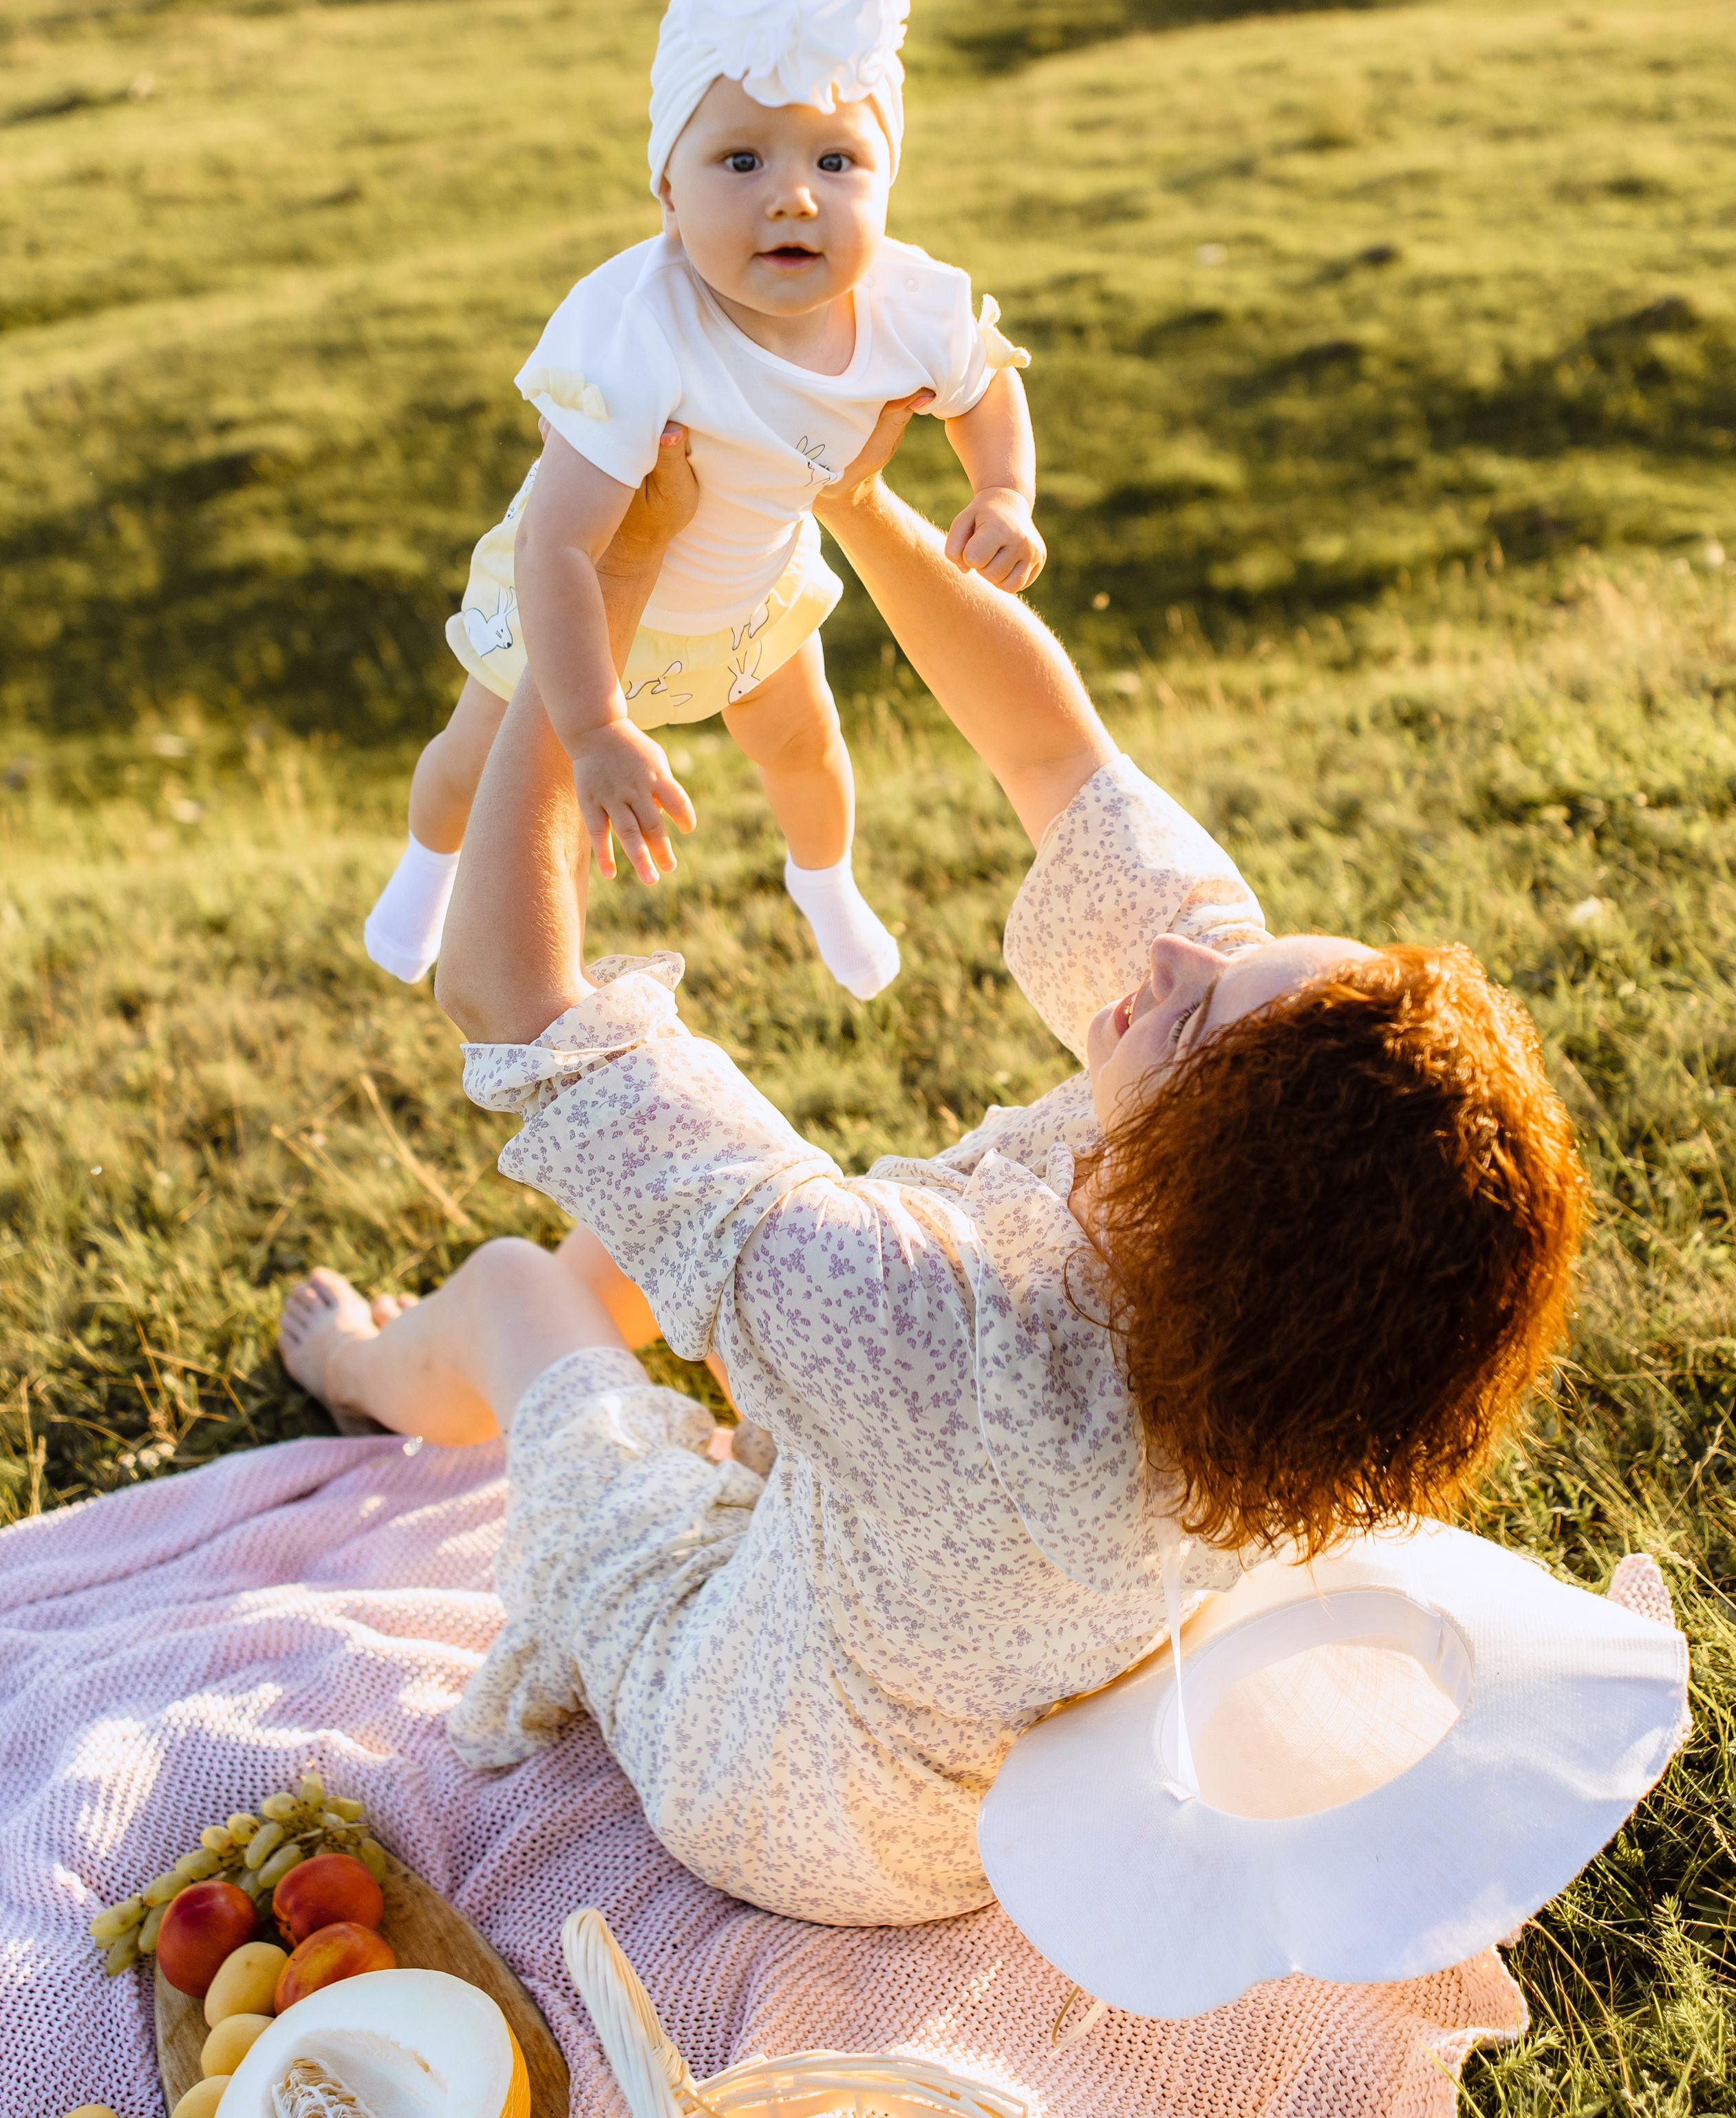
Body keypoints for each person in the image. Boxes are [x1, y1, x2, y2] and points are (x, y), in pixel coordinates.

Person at [283, 410, 1584, 1928]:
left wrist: (593, 605)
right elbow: (1054, 755)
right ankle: (647, 1348)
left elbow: (513, 998)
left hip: (765, 1773)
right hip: (968, 1748)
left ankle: (370, 1369)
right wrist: (852, 496)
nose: (1173, 954)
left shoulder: (926, 1331)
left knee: (523, 1296)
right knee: (666, 1248)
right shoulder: (1274, 1337)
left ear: (1201, 1185)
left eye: (1204, 1009)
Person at [363, 0, 1042, 1003]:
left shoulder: (902, 303)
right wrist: (594, 728)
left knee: (806, 745)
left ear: (886, 179)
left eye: (837, 163)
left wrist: (1004, 491)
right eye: (741, 163)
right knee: (472, 768)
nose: (792, 199)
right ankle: (428, 871)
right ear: (665, 190)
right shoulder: (638, 329)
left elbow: (983, 380)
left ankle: (825, 883)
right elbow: (561, 551)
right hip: (584, 621)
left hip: (752, 595)